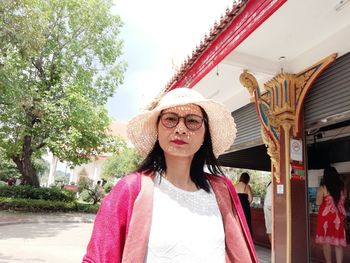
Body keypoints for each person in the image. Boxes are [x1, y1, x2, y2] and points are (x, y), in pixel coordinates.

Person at [83, 87, 257, 263]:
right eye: (170, 119)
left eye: (193, 121)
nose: (181, 129)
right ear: (157, 129)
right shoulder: (130, 189)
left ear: (205, 134)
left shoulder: (223, 190)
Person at [315, 166, 347, 263]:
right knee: (338, 244)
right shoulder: (343, 188)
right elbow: (342, 202)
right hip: (338, 218)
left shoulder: (323, 188)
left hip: (325, 219)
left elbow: (318, 202)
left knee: (326, 242)